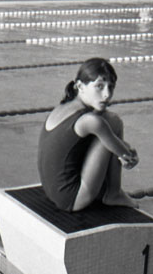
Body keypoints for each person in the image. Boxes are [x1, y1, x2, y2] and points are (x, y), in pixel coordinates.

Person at [38, 58, 139, 212]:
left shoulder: (62, 108)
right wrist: (130, 155)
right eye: (99, 86)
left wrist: (123, 150)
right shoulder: (90, 121)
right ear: (80, 86)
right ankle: (114, 193)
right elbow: (126, 156)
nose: (107, 94)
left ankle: (106, 190)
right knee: (114, 122)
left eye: (111, 87)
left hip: (53, 192)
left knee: (106, 122)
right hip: (73, 199)